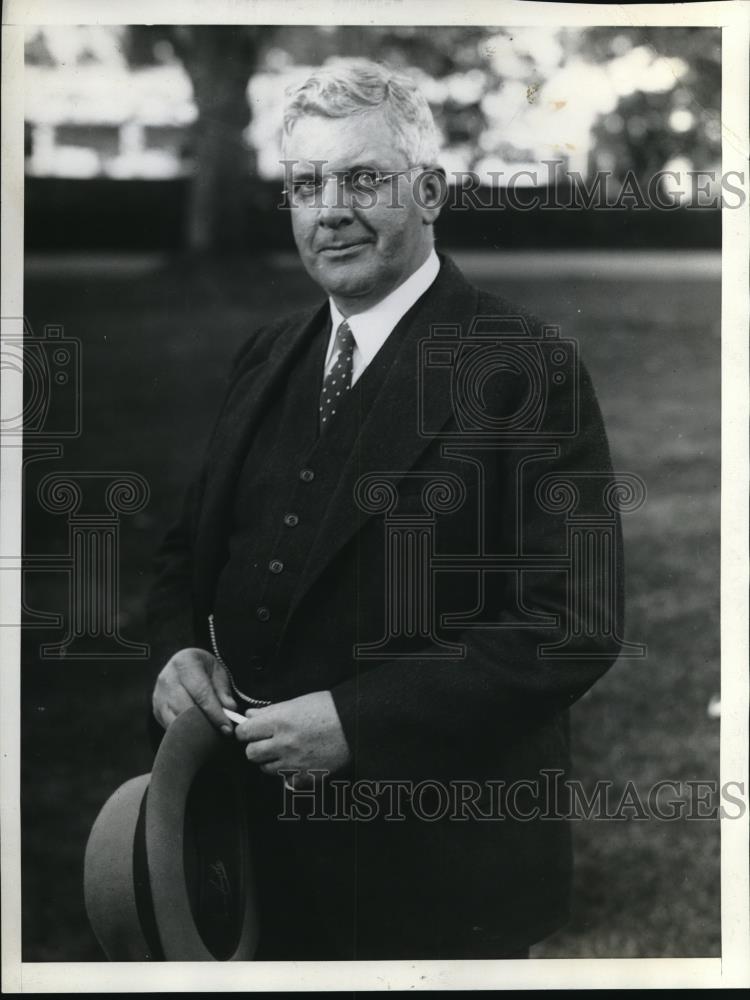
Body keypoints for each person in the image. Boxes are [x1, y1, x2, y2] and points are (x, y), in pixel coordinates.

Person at [148, 59, 625, 960]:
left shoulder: (525, 367)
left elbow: (571, 625)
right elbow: (188, 550)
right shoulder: (267, 356)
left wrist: (359, 723)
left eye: (365, 178)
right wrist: (177, 646)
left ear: (431, 191)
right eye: (306, 184)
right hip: (249, 863)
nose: (331, 208)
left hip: (433, 872)